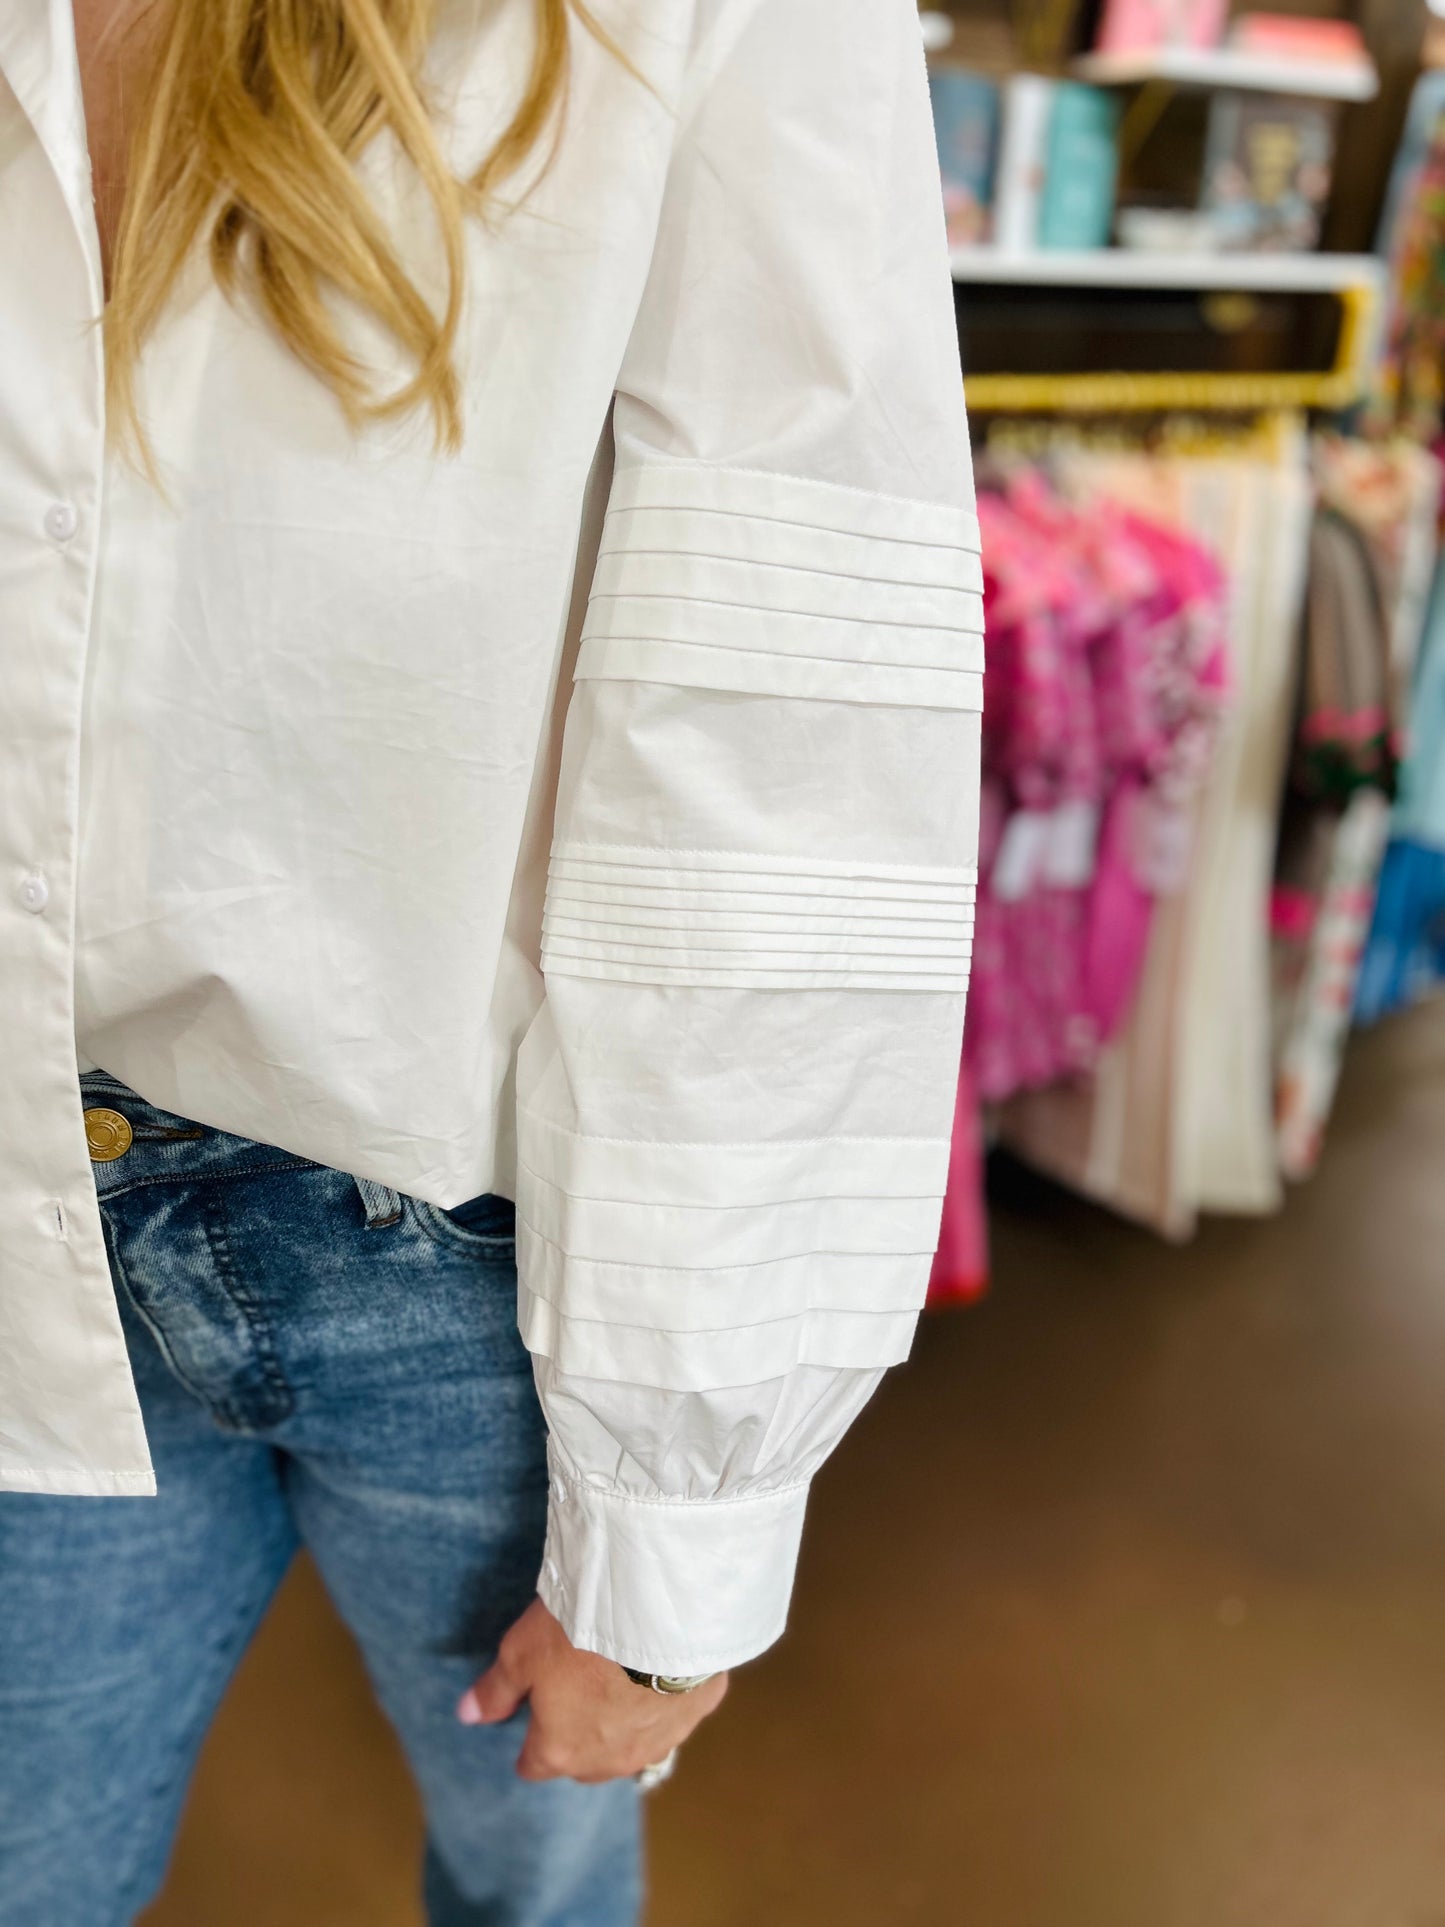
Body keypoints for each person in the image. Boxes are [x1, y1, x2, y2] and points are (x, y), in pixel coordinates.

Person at [0, 0, 982, 1920]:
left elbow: (777, 742)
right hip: (29, 1195)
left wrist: (679, 1527)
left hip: (453, 1257)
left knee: (529, 1874)